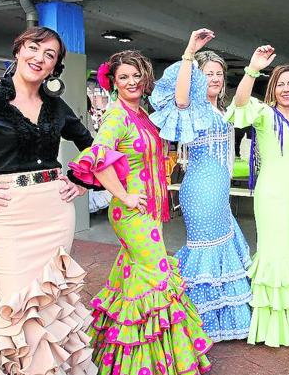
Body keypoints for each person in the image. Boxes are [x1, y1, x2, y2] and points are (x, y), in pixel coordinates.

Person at [0, 26, 97, 374]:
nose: (39, 58)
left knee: (53, 303)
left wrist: (82, 178)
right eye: (34, 47)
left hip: (55, 210)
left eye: (49, 55)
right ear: (18, 50)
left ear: (55, 67)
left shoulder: (56, 107)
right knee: (18, 305)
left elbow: (92, 145)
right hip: (8, 214)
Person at [70, 49, 212, 374]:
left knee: (133, 280)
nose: (132, 81)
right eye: (124, 77)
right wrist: (124, 195)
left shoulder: (145, 114)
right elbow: (97, 157)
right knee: (159, 278)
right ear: (113, 82)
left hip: (151, 209)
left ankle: (118, 356)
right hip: (133, 213)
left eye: (136, 75)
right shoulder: (116, 116)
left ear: (144, 78)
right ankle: (154, 363)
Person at [149, 28, 252, 342]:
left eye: (219, 74)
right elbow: (180, 96)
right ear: (197, 78)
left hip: (219, 193)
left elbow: (242, 101)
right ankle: (197, 322)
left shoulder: (223, 110)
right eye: (209, 74)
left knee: (222, 245)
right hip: (200, 192)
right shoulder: (193, 109)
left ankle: (222, 322)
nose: (216, 78)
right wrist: (189, 52)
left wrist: (252, 70)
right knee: (205, 250)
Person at [225, 46, 289, 347]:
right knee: (274, 254)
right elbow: (239, 104)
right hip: (272, 198)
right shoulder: (264, 113)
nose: (287, 89)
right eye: (281, 84)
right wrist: (253, 68)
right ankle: (273, 326)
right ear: (273, 89)